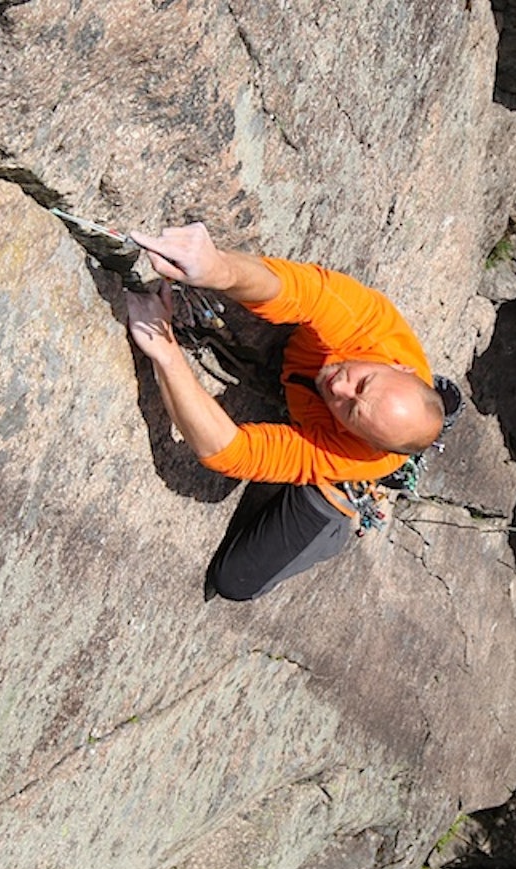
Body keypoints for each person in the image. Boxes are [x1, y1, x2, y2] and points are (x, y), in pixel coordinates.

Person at [123, 223, 446, 601]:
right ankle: (422, 418)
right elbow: (298, 291)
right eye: (363, 383)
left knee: (235, 581)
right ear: (399, 367)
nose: (339, 388)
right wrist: (218, 269)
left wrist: (164, 350)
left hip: (344, 467)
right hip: (349, 389)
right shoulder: (370, 326)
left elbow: (232, 453)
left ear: (357, 436)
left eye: (351, 410)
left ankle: (342, 516)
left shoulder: (356, 453)